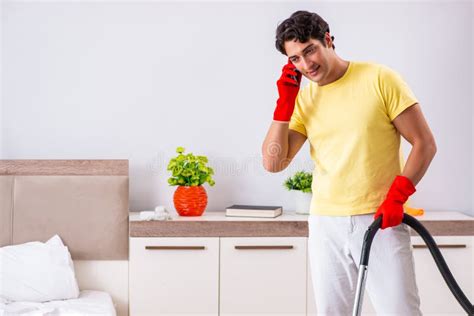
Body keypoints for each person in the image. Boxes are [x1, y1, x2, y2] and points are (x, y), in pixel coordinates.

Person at [262, 10, 437, 315]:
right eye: (295, 60)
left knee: (401, 312)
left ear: (327, 39)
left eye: (310, 50)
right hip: (325, 223)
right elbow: (273, 162)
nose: (306, 65)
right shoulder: (304, 100)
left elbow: (424, 143)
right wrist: (284, 105)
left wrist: (398, 196)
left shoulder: (380, 79)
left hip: (381, 219)